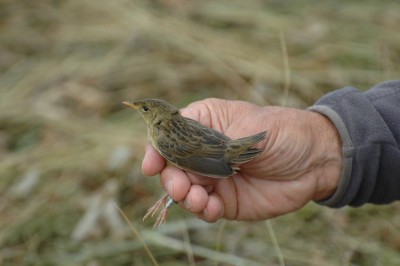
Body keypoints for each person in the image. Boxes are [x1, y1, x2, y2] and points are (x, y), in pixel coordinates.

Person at [141, 80, 400, 223]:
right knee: (187, 184)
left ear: (155, 116)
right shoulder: (168, 131)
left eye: (143, 109)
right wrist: (326, 152)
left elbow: (199, 159)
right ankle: (171, 198)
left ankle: (170, 198)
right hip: (222, 150)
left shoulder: (163, 138)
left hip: (219, 155)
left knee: (187, 182)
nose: (138, 110)